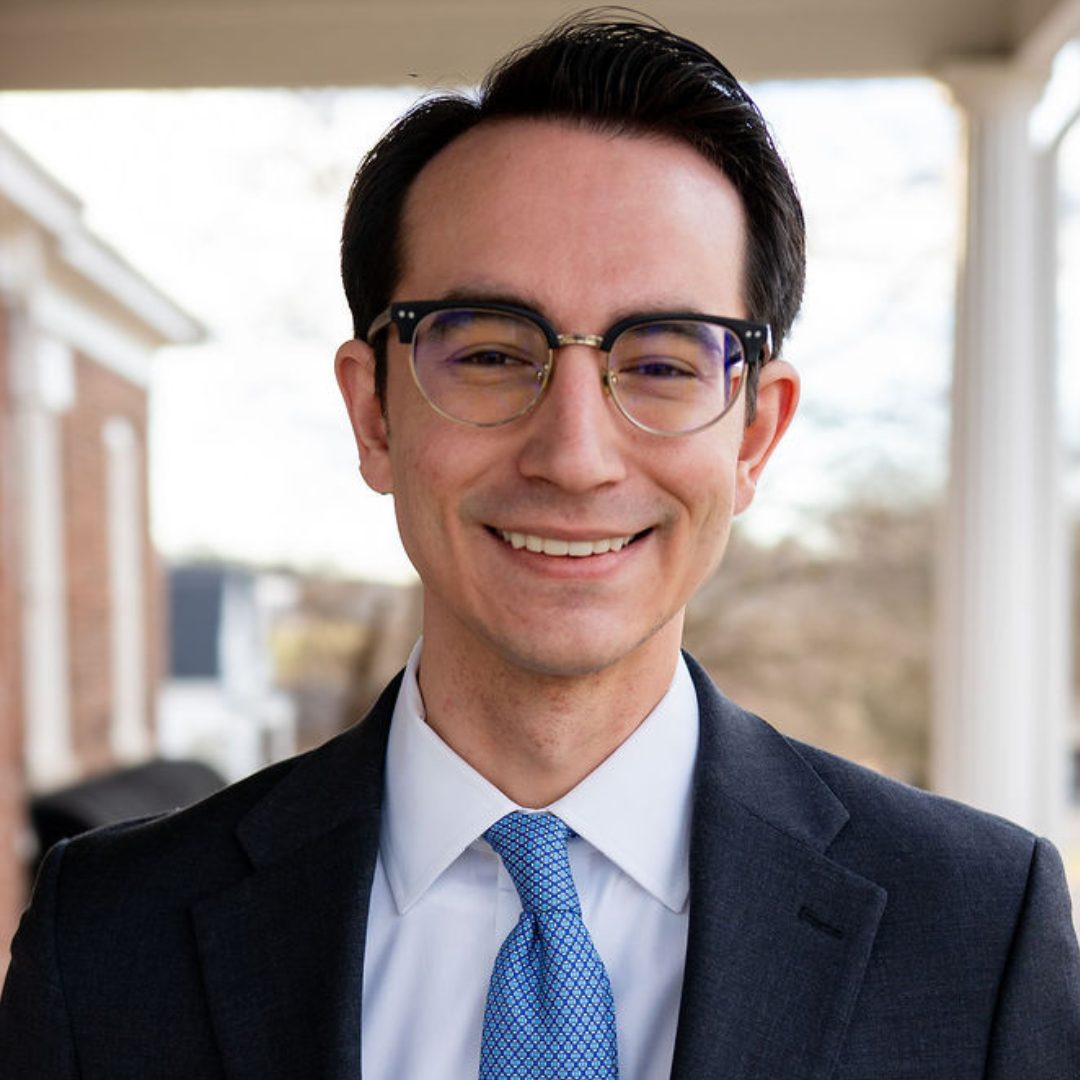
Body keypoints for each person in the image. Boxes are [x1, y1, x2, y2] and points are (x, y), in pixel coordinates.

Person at [2, 11, 1079, 1079]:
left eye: (662, 362)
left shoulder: (978, 931)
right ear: (374, 413)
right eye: (488, 354)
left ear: (756, 434)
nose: (574, 456)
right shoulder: (104, 936)